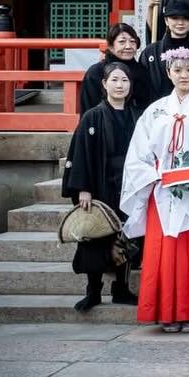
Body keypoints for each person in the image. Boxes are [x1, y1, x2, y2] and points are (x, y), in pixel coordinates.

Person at [120, 46, 189, 333]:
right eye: (178, 70)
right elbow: (139, 154)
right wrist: (155, 175)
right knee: (165, 252)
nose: (184, 75)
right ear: (168, 73)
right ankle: (167, 311)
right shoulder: (155, 111)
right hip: (164, 189)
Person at [63, 61, 140, 312]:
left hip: (127, 185)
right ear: (105, 84)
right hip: (99, 184)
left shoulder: (137, 115)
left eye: (125, 80)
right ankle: (93, 291)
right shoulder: (92, 116)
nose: (120, 85)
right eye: (115, 80)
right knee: (94, 236)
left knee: (125, 238)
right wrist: (83, 188)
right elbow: (81, 153)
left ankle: (122, 288)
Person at [80, 22, 149, 114]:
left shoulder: (141, 71)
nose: (128, 46)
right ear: (111, 46)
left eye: (132, 41)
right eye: (122, 42)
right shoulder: (96, 72)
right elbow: (89, 108)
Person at [138, 0, 189, 99]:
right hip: (158, 108)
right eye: (175, 18)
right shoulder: (151, 52)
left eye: (186, 18)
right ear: (166, 20)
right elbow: (141, 86)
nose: (180, 23)